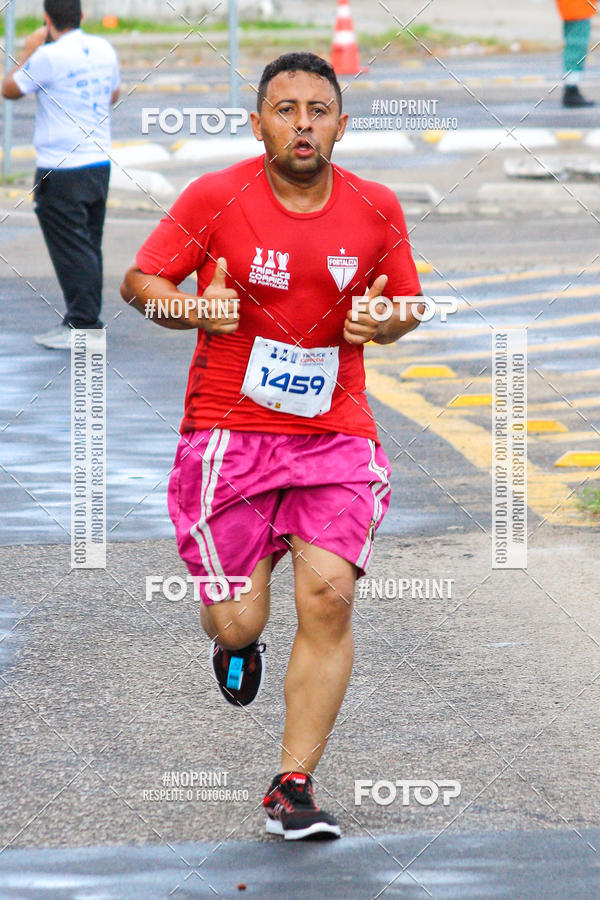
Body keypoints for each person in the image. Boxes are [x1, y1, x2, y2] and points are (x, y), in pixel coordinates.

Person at [121, 52, 423, 841]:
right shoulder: (214, 197)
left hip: (335, 433)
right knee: (238, 620)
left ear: (341, 125)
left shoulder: (377, 206)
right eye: (285, 110)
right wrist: (194, 309)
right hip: (229, 436)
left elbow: (407, 303)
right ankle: (235, 645)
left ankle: (293, 786)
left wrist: (383, 322)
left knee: (328, 596)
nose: (302, 124)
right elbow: (141, 282)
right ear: (258, 124)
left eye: (318, 110)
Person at [2, 0, 120, 349]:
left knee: (72, 249)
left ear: (46, 18)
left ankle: (84, 325)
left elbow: (9, 89)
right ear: (82, 15)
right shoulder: (104, 48)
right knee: (88, 245)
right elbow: (112, 93)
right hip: (98, 162)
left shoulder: (47, 57)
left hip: (61, 167)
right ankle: (81, 318)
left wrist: (28, 50)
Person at [556, 0, 597, 107]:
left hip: (577, 7)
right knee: (577, 45)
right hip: (578, 7)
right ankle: (571, 89)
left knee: (575, 44)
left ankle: (572, 88)